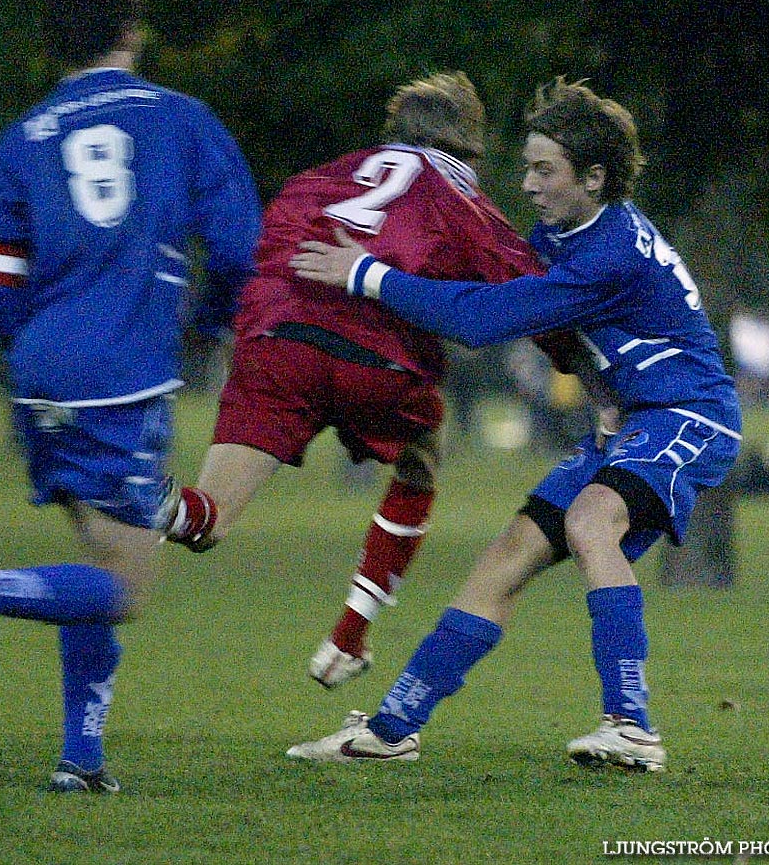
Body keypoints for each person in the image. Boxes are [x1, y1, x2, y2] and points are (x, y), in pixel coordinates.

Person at [287, 77, 741, 772]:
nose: (526, 183)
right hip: (633, 422)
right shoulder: (564, 234)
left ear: (592, 178)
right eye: (527, 165)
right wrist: (597, 386)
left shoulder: (608, 249)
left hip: (690, 415)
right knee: (504, 558)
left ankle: (631, 725)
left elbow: (481, 320)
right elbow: (552, 322)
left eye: (543, 170)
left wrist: (364, 275)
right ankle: (390, 729)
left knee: (592, 522)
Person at [0, 0, 261, 794]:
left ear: (51, 46)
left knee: (96, 566)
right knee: (126, 586)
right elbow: (243, 247)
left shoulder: (20, 140)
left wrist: (30, 352)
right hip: (124, 377)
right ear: (131, 32)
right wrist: (209, 326)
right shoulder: (179, 121)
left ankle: (82, 759)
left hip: (40, 374)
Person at [163, 71, 586, 688]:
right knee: (419, 462)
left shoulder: (317, 179)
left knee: (209, 519)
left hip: (278, 346)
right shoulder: (459, 197)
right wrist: (578, 361)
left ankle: (143, 492)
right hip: (377, 361)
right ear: (470, 144)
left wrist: (237, 331)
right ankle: (349, 638)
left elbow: (260, 253)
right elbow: (528, 289)